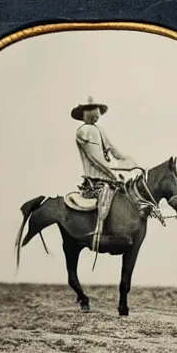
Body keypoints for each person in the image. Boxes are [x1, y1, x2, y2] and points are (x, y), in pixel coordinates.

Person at [71, 96, 138, 252]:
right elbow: (96, 158)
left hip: (107, 176)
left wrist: (129, 161)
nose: (97, 113)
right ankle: (99, 232)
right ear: (85, 113)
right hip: (96, 179)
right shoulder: (85, 131)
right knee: (105, 200)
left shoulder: (98, 130)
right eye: (93, 110)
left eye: (98, 110)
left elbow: (113, 150)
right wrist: (112, 174)